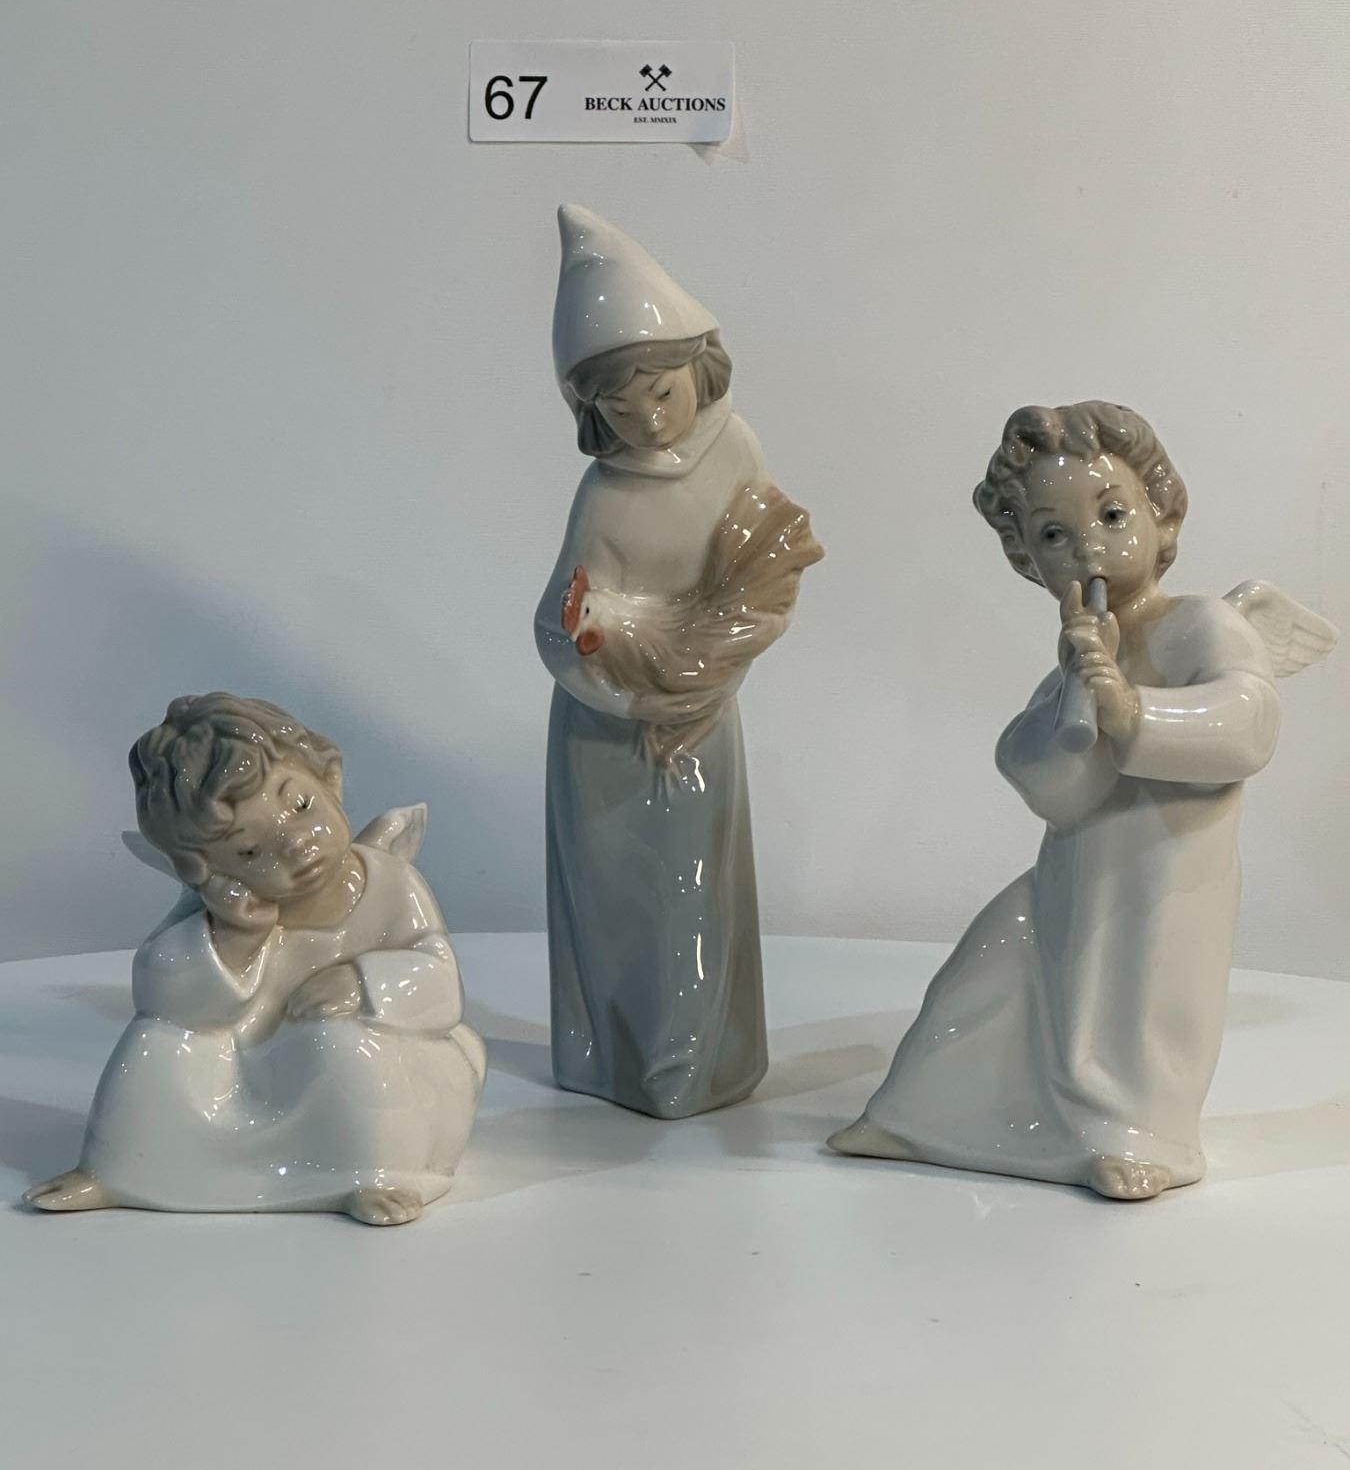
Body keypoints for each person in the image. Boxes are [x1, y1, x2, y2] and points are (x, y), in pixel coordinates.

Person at [830, 401, 1332, 1200]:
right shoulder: (1078, 657)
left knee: (1139, 1011)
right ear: (1027, 558)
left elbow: (1249, 723)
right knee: (989, 968)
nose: (1088, 546)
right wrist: (1080, 689)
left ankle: (1137, 1139)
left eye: (1111, 515)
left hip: (1168, 879)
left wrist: (1132, 712)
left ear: (1162, 516)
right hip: (1072, 877)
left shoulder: (1202, 624)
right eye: (1055, 535)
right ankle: (918, 1113)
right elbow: (1050, 787)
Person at [536, 205, 819, 1119]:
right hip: (606, 727)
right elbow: (557, 622)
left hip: (699, 714)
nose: (650, 422)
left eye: (662, 393)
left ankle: (689, 1057)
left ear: (701, 368)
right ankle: (606, 1050)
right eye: (620, 410)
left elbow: (762, 585)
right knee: (608, 894)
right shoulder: (603, 496)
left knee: (693, 887)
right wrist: (620, 683)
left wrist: (706, 676)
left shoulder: (736, 451)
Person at [25, 693, 484, 1225]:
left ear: (330, 779)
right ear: (205, 869)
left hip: (359, 1065)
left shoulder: (390, 883)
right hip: (248, 1068)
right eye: (249, 851)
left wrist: (365, 983)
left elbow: (439, 975)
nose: (295, 846)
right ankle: (120, 1169)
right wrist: (235, 939)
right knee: (161, 1039)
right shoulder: (224, 910)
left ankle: (370, 1173)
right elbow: (161, 992)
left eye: (301, 806)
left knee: (339, 1041)